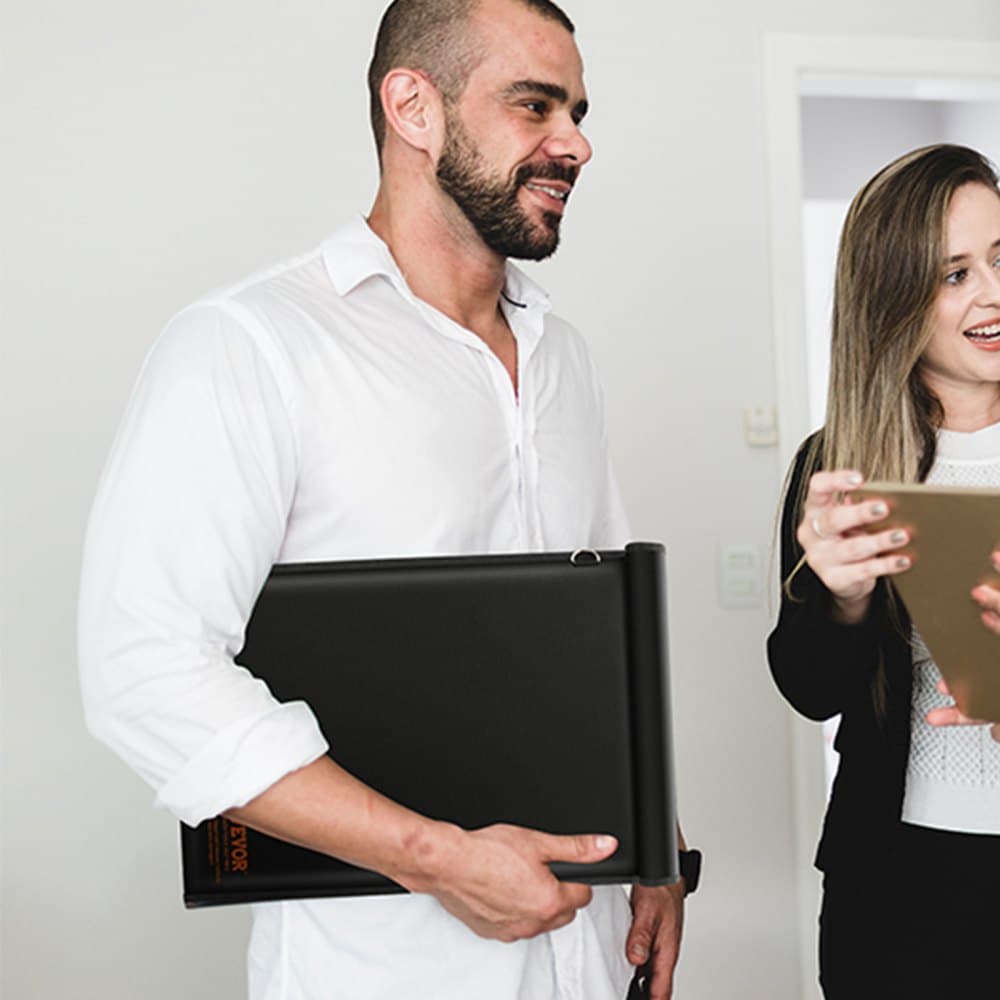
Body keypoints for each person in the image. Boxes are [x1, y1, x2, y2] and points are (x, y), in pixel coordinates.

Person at [77, 1, 690, 998]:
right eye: (534, 105)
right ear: (412, 106)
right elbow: (140, 670)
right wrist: (434, 856)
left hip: (588, 950)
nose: (574, 142)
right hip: (385, 969)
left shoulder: (562, 356)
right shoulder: (250, 345)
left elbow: (606, 631)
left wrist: (658, 844)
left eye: (575, 110)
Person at [768, 143, 1000, 1000]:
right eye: (953, 275)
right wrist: (842, 596)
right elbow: (809, 687)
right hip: (902, 891)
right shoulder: (840, 466)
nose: (992, 293)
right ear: (895, 299)